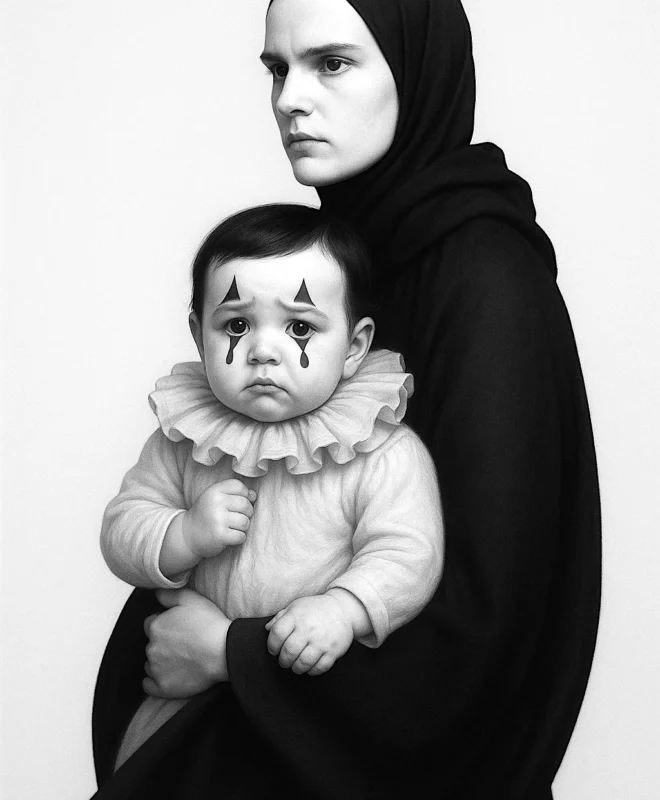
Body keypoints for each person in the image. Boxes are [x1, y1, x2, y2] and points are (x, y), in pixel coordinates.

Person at [92, 1, 601, 798]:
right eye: (277, 69)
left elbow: (485, 626)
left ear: (417, 73)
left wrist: (233, 654)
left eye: (332, 63)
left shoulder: (486, 282)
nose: (291, 99)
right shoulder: (338, 258)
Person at [101, 203, 443, 769]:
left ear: (355, 347)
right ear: (198, 335)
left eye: (300, 327)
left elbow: (409, 551)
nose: (263, 350)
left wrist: (344, 609)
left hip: (310, 703)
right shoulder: (184, 440)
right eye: (236, 325)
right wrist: (183, 533)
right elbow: (122, 527)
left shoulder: (380, 449)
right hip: (187, 700)